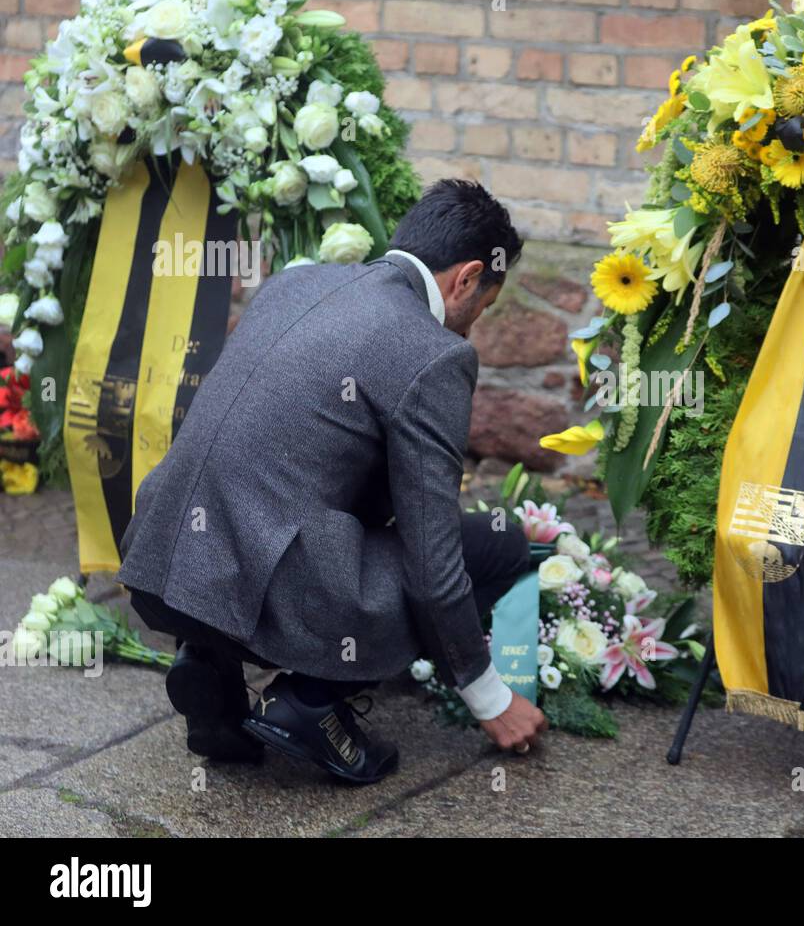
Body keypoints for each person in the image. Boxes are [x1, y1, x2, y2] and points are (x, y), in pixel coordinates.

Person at [117, 179, 548, 784]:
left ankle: (209, 662)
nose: (473, 327)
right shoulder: (433, 354)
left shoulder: (296, 283)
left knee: (284, 505)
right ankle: (309, 702)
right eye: (483, 307)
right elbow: (432, 559)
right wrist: (489, 695)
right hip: (268, 578)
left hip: (160, 559)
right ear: (467, 278)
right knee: (497, 543)